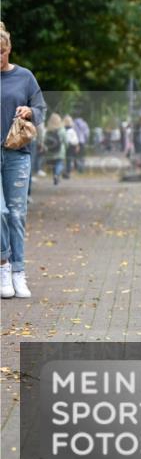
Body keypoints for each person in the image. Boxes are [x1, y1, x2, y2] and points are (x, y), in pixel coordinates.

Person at [1, 21, 46, 299]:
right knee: (0, 212)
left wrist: (30, 111)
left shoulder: (25, 76)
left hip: (17, 154)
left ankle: (19, 272)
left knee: (17, 214)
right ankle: (3, 266)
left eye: (1, 52)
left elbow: (40, 108)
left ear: (9, 50)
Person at [43, 113, 66, 184]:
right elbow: (66, 141)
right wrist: (66, 147)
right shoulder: (62, 130)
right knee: (59, 163)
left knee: (54, 164)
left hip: (50, 150)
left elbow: (45, 140)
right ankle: (56, 175)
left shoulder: (48, 130)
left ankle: (55, 176)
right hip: (60, 151)